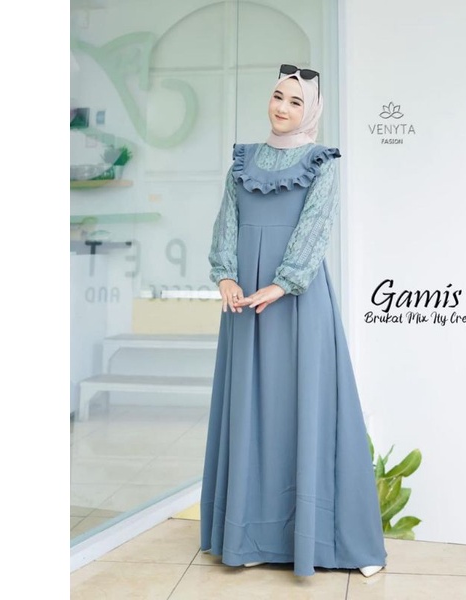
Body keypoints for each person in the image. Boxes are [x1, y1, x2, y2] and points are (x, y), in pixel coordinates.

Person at [200, 64, 387, 578]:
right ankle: (251, 537)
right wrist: (226, 277)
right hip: (246, 303)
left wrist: (282, 283)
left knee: (307, 407)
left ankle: (341, 544)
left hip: (297, 301)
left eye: (295, 101)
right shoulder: (242, 162)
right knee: (252, 414)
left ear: (312, 110)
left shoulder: (321, 162)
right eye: (278, 96)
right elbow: (226, 224)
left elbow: (315, 228)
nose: (282, 107)